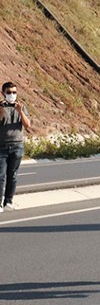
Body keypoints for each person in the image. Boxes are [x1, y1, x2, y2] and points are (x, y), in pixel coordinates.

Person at [0, 82, 31, 213]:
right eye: (9, 92)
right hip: (1, 146)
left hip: (17, 145)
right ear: (3, 93)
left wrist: (20, 111)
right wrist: (1, 109)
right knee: (0, 176)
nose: (11, 95)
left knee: (12, 175)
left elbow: (27, 125)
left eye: (14, 92)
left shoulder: (21, 107)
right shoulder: (0, 107)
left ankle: (8, 201)